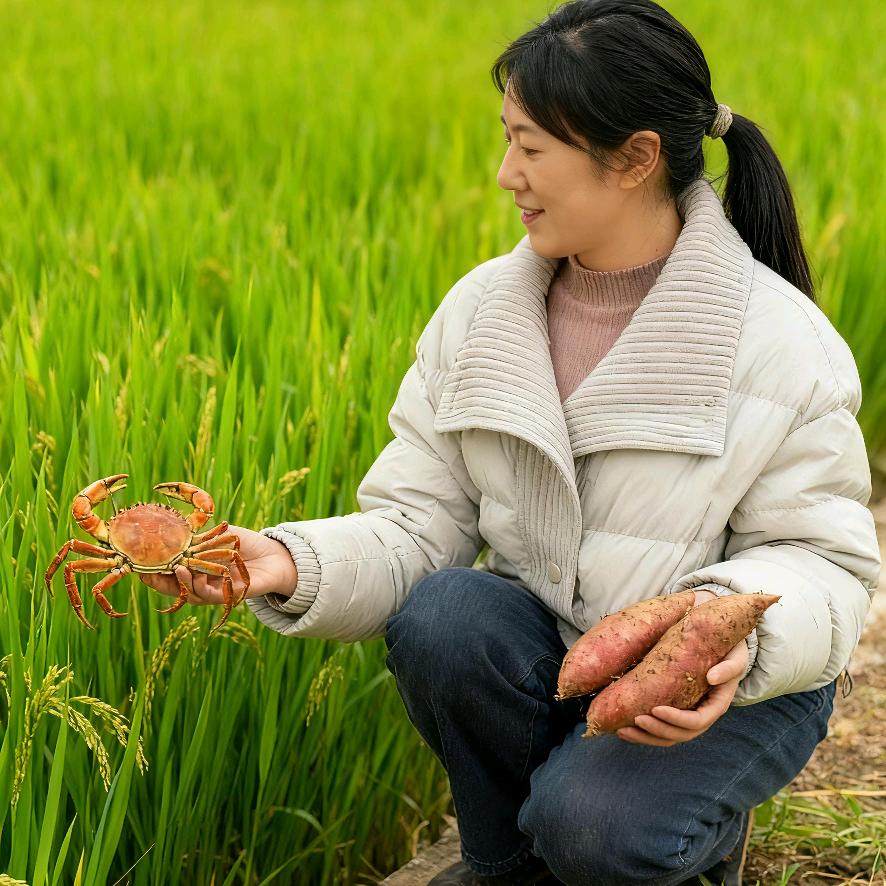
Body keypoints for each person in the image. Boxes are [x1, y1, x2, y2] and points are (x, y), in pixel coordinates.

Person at [140, 1, 882, 883]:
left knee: (596, 825)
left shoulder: (779, 342)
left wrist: (731, 641)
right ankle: (507, 863)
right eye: (507, 141)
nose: (505, 174)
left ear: (636, 158)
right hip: (560, 653)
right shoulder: (485, 312)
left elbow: (826, 564)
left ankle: (681, 841)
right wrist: (286, 561)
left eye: (532, 148)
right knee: (445, 615)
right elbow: (419, 527)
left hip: (714, 694)